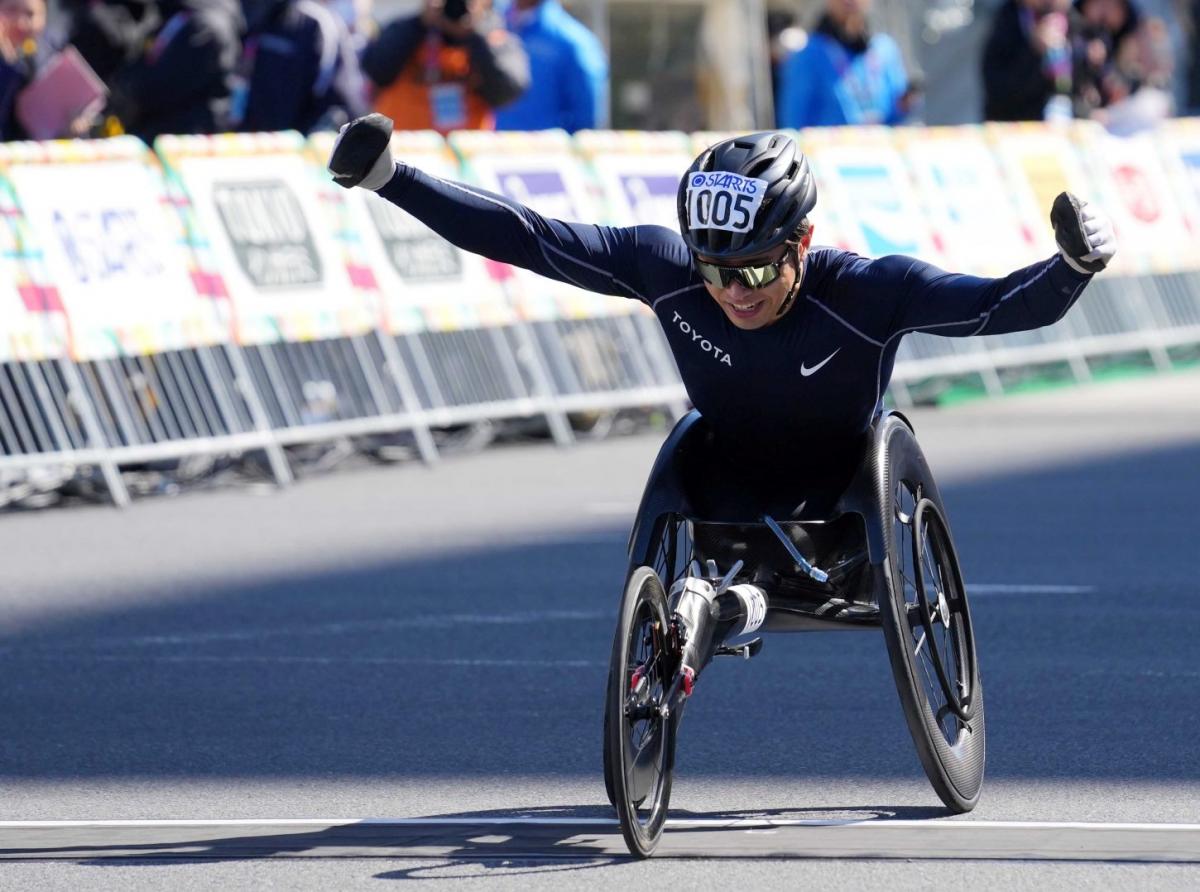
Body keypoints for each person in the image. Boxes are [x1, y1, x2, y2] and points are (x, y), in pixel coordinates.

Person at [326, 113, 1115, 650]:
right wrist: (390, 177)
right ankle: (702, 626)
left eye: (758, 268)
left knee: (775, 559)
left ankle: (733, 604)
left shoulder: (871, 294)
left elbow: (992, 308)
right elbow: (528, 238)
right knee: (702, 511)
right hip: (721, 477)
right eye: (713, 268)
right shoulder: (664, 272)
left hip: (838, 500)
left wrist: (1072, 269)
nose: (733, 291)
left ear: (802, 240)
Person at [361, 0, 528, 134]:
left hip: (463, 160)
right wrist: (420, 24)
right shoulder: (406, 29)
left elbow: (507, 93)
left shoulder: (493, 38)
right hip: (406, 156)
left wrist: (475, 35)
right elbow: (376, 71)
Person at [103, 0, 243, 142]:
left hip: (183, 143)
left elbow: (161, 88)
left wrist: (125, 90)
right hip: (161, 134)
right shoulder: (177, 15)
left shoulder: (206, 25)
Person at [232, 0, 368, 133]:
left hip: (301, 146)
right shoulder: (249, 14)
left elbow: (342, 99)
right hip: (252, 143)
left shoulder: (318, 23)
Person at [775, 0, 909, 128]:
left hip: (879, 148)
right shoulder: (809, 54)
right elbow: (793, 121)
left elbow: (895, 112)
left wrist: (905, 104)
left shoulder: (884, 49)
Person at [493, 0, 606, 132]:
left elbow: (585, 120)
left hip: (546, 150)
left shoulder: (572, 42)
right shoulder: (489, 27)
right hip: (485, 149)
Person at [982, 0, 1077, 121]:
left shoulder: (1073, 19)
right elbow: (996, 86)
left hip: (1063, 120)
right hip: (1014, 122)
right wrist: (1033, 50)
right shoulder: (1008, 21)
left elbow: (1073, 85)